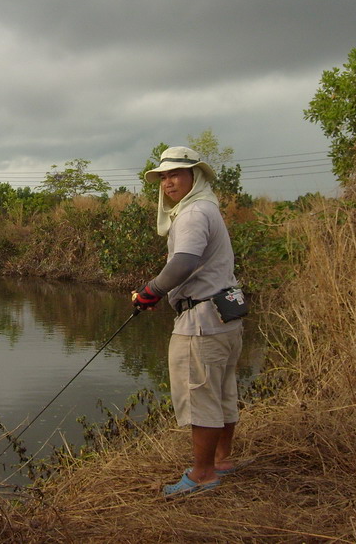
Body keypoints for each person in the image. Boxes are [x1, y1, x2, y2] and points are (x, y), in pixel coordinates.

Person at [131, 146, 246, 498]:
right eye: (163, 176)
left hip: (201, 322)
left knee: (200, 398)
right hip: (224, 315)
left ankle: (202, 474)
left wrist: (149, 292)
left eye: (176, 174)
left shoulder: (193, 213)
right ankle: (221, 460)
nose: (168, 182)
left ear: (195, 175)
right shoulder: (207, 206)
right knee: (223, 391)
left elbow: (183, 262)